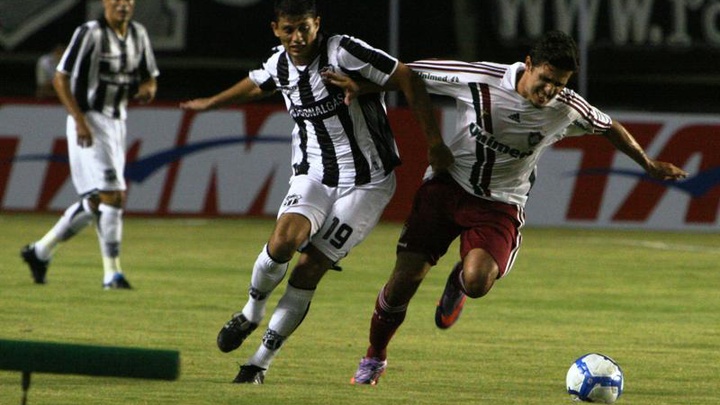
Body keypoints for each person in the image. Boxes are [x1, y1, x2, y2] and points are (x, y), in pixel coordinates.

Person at [326, 30, 688, 385]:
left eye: (559, 85)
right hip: (445, 187)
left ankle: (460, 279)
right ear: (528, 64)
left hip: (500, 204)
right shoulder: (479, 78)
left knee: (478, 281)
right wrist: (365, 87)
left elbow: (609, 126)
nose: (550, 92)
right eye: (546, 80)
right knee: (403, 283)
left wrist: (648, 164)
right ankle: (374, 355)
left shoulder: (567, 108)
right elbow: (409, 74)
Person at [180, 0, 452, 385]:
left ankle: (258, 363)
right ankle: (252, 312)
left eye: (304, 28)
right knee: (283, 241)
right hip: (314, 173)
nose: (297, 37)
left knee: (310, 268)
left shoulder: (343, 51)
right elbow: (258, 82)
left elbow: (407, 76)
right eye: (288, 29)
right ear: (276, 28)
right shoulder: (279, 62)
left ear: (317, 24)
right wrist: (211, 102)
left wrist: (434, 144)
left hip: (367, 183)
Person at [21, 0, 159, 289]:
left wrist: (148, 90)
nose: (123, 5)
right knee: (114, 195)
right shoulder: (89, 33)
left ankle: (40, 251)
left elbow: (149, 78)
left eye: (128, 0)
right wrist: (79, 120)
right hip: (89, 119)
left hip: (117, 122)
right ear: (105, 2)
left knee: (96, 200)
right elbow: (60, 79)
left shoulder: (139, 34)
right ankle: (112, 274)